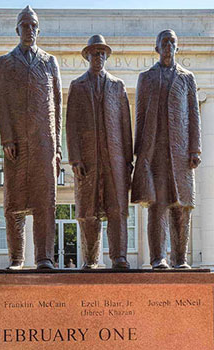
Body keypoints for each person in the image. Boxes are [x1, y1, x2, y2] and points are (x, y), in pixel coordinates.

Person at [0, 6, 63, 270]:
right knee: (14, 202)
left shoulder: (49, 62)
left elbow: (57, 105)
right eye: (25, 25)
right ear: (18, 29)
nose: (29, 30)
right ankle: (16, 258)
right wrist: (6, 139)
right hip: (16, 144)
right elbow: (1, 102)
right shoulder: (6, 62)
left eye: (33, 26)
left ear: (38, 30)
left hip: (44, 143)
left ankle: (45, 257)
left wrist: (57, 148)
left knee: (45, 202)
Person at [131, 29, 202, 269]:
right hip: (155, 152)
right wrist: (139, 153)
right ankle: (158, 258)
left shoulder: (187, 78)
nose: (169, 45)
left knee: (182, 207)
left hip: (181, 153)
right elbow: (139, 115)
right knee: (157, 206)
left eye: (173, 42)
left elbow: (194, 113)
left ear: (177, 48)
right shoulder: (146, 78)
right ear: (157, 48)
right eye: (164, 42)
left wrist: (196, 149)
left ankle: (180, 259)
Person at [65, 34, 133, 270]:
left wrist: (128, 160)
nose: (99, 57)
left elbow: (126, 125)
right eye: (94, 53)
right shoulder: (77, 85)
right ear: (87, 56)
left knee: (118, 210)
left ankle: (119, 257)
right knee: (88, 211)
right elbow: (71, 124)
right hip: (87, 160)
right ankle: (91, 259)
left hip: (114, 160)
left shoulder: (117, 86)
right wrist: (74, 157)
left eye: (102, 53)